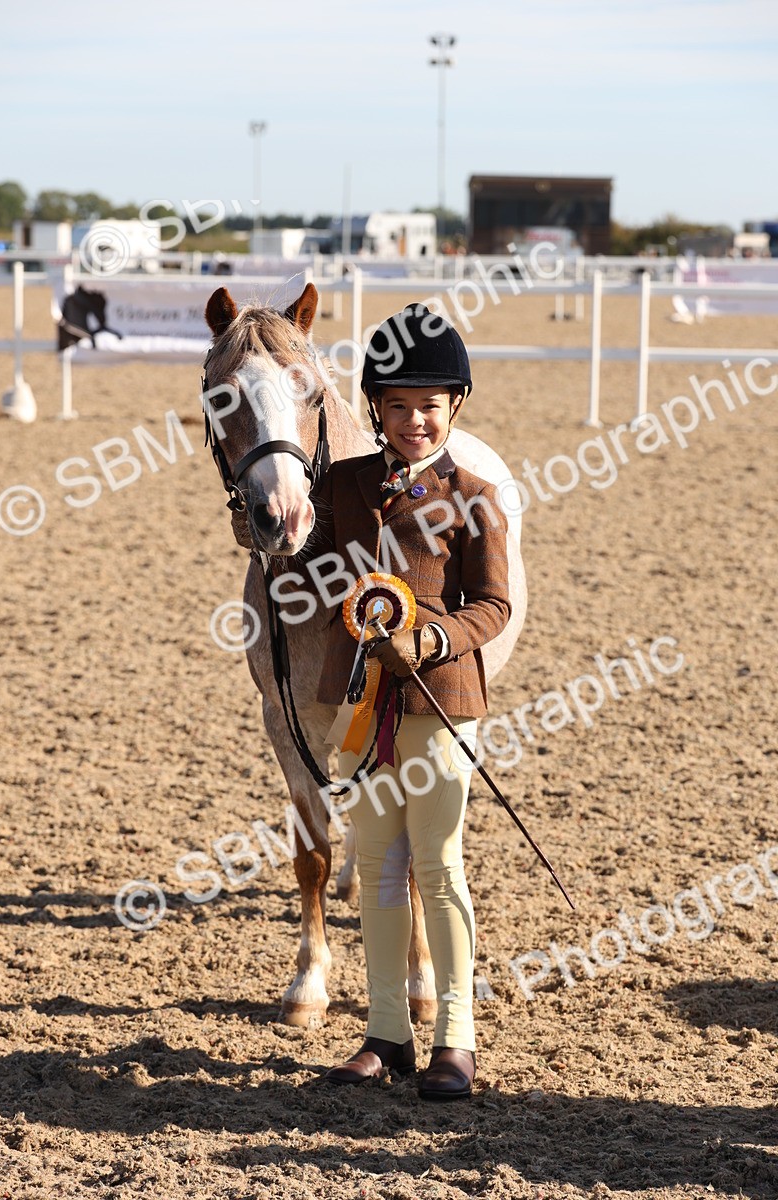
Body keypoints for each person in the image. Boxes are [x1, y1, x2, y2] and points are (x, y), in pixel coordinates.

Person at [315, 304, 512, 1099]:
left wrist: (430, 640)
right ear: (376, 408)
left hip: (439, 700)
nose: (413, 420)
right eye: (396, 405)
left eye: (429, 405)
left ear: (454, 406)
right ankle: (387, 1033)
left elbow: (492, 608)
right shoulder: (343, 486)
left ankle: (455, 1038)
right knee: (379, 867)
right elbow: (306, 562)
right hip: (362, 704)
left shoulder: (477, 497)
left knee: (437, 864)